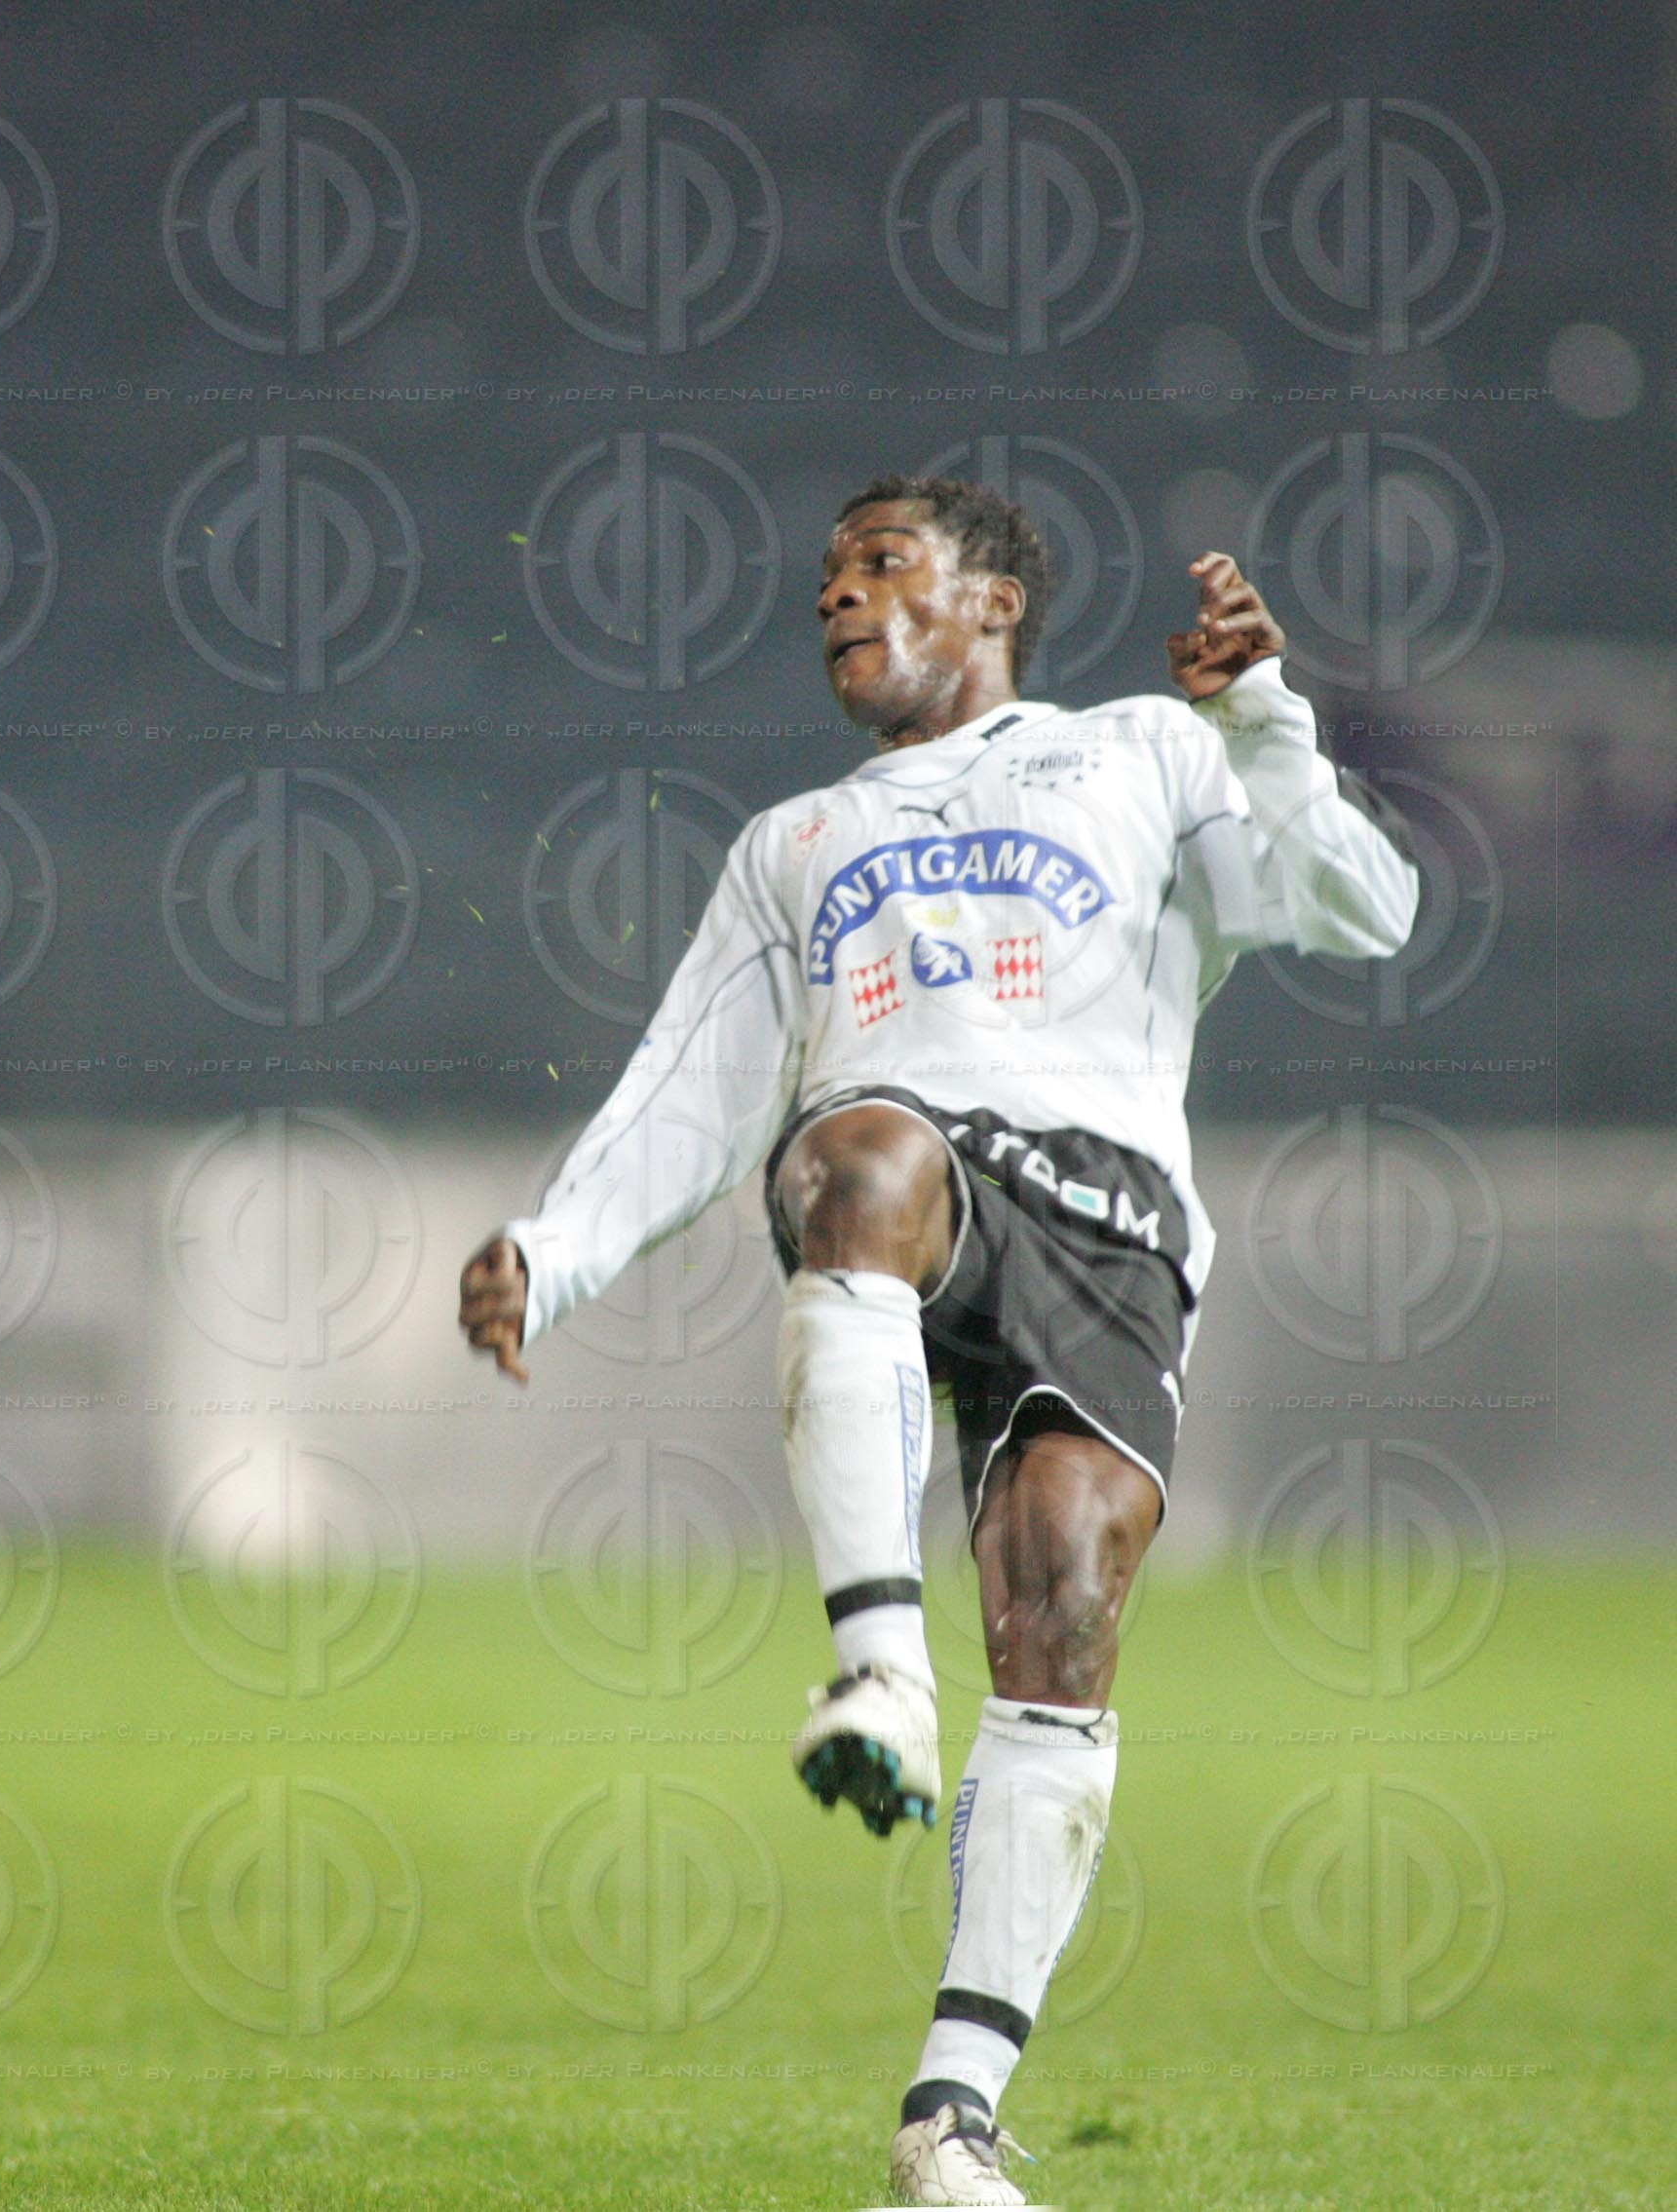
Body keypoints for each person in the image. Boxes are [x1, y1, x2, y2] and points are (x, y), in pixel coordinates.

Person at [458, 476, 1419, 2207]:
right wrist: (555, 1246)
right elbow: (691, 1087)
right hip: (921, 1167)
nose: (839, 596)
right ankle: (880, 1673)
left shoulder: (1142, 749)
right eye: (828, 579)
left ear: (992, 602)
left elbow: (1362, 905)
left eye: (883, 565)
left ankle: (949, 2120)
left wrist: (1265, 718)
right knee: (859, 1162)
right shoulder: (795, 845)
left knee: (1064, 1606)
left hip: (1110, 1218)